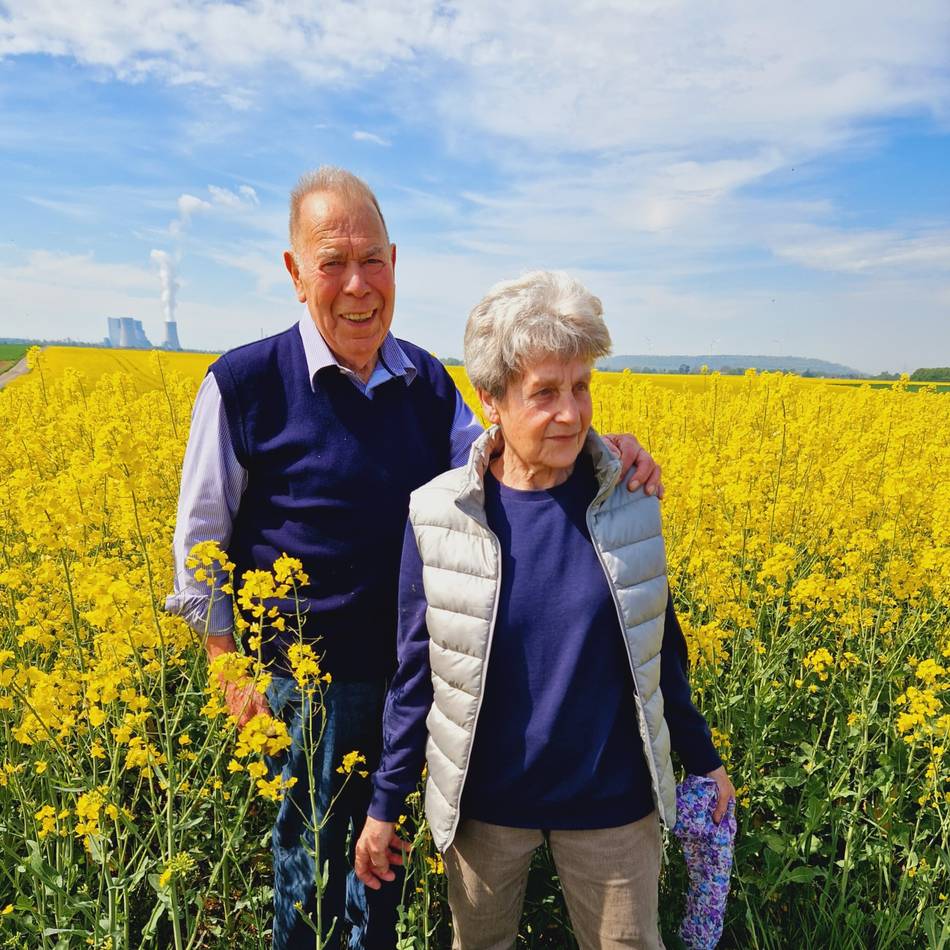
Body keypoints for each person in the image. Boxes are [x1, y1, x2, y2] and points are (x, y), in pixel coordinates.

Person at [166, 170, 664, 950]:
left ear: (395, 262)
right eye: (332, 263)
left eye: (373, 260)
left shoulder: (426, 381)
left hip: (417, 679)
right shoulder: (243, 384)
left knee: (382, 861)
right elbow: (201, 543)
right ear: (295, 274)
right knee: (309, 867)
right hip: (302, 687)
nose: (357, 285)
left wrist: (607, 455)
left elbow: (510, 455)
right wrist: (227, 666)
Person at [355, 270, 734, 950]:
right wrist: (385, 805)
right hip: (485, 808)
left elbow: (659, 645)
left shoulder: (629, 501)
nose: (571, 411)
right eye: (545, 393)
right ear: (492, 400)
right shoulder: (441, 516)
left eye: (581, 386)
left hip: (611, 801)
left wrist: (703, 758)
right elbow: (419, 674)